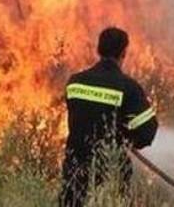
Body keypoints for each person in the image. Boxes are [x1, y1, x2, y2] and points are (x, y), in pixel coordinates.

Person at [60, 27, 158, 207]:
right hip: (110, 171)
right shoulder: (128, 87)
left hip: (75, 168)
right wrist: (126, 138)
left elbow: (80, 117)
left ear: (99, 50)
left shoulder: (75, 82)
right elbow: (147, 131)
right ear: (124, 53)